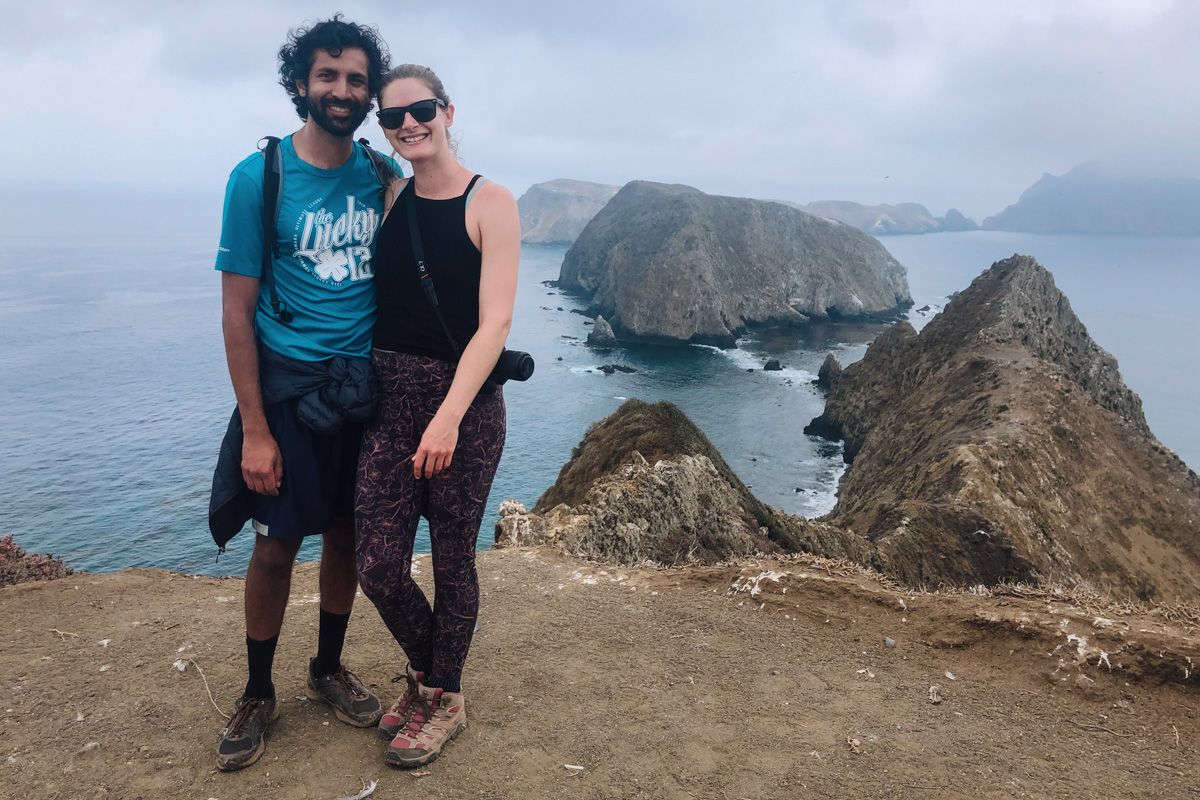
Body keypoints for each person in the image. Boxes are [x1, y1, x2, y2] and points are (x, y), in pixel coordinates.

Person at [208, 16, 398, 772]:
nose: (343, 90)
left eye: (356, 80)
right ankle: (258, 690)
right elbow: (236, 312)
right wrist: (256, 431)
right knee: (277, 543)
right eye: (328, 76)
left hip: (364, 389)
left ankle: (327, 667)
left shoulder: (381, 173)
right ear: (300, 83)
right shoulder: (259, 178)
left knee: (348, 533)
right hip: (291, 391)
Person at [354, 64, 521, 769]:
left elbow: (495, 324)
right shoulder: (391, 195)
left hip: (465, 408)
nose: (408, 124)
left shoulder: (492, 202)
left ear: (448, 111)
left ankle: (442, 699)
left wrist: (448, 417)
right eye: (392, 117)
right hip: (389, 402)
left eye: (420, 109)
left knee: (453, 559)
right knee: (376, 564)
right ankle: (434, 677)